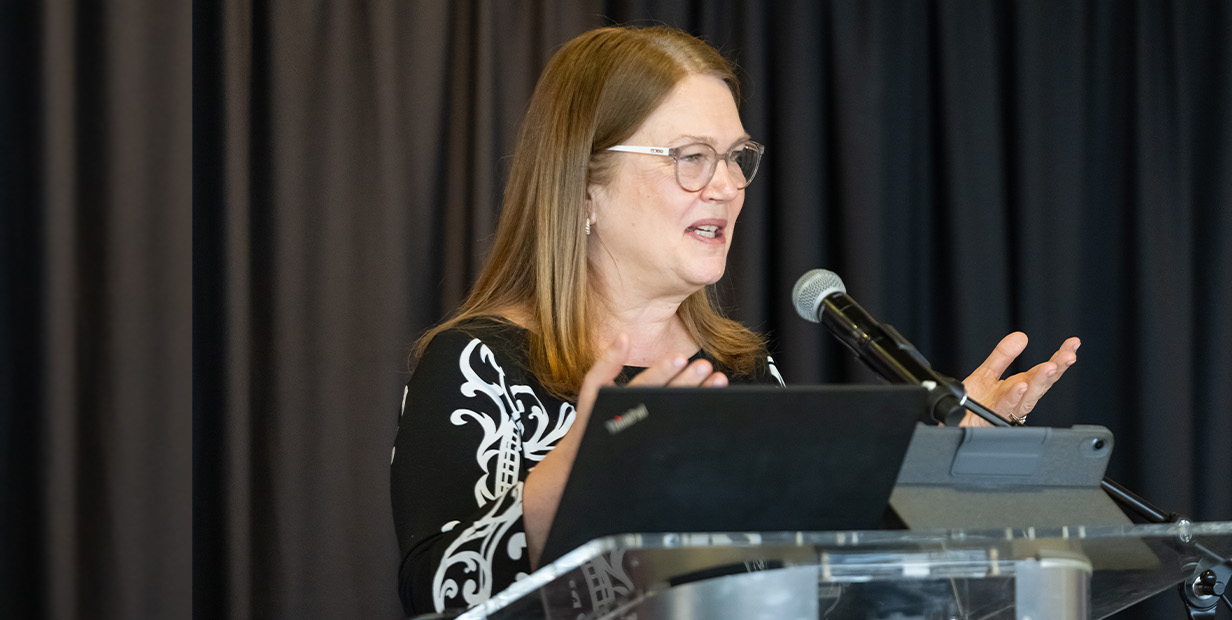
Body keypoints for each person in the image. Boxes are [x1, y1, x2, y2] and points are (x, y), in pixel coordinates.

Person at [388, 25, 1081, 615]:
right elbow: (437, 595)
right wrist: (569, 479)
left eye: (736, 158)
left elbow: (823, 580)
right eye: (691, 158)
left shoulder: (743, 371)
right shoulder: (477, 365)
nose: (725, 187)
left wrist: (947, 471)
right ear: (585, 184)